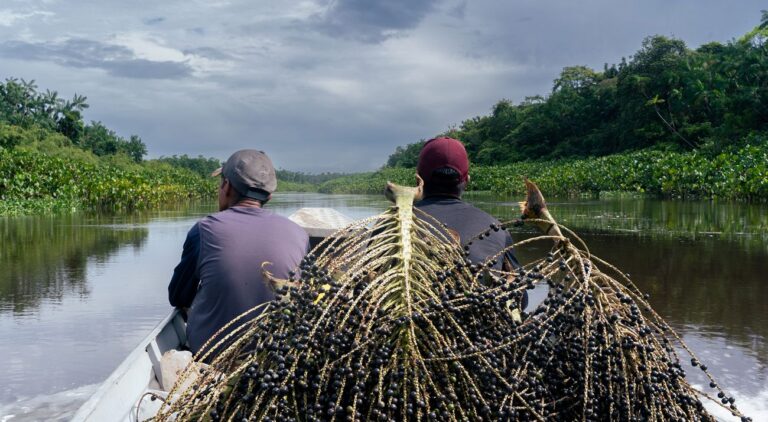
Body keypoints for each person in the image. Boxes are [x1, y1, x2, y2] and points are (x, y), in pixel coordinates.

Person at [168, 149, 309, 355]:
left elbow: (179, 297)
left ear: (226, 186)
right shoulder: (299, 234)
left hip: (211, 358)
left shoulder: (204, 230)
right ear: (269, 195)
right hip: (274, 359)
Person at [414, 137, 526, 307]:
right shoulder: (496, 228)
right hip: (477, 323)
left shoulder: (389, 225)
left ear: (418, 179)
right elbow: (520, 299)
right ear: (466, 180)